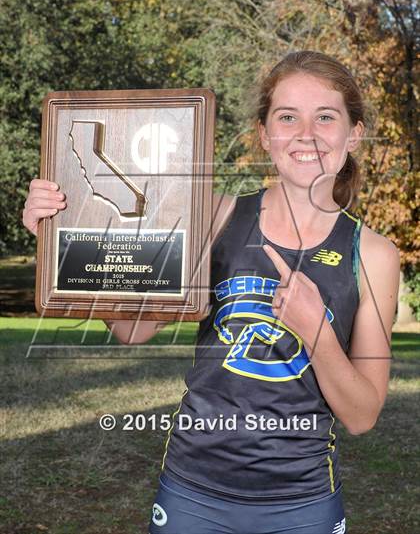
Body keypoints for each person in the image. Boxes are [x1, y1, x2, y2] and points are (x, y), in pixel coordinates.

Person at [23, 50, 400, 534]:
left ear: (354, 133)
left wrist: (317, 333)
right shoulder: (213, 215)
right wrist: (61, 236)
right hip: (192, 492)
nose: (306, 134)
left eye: (325, 117)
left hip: (302, 501)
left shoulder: (373, 254)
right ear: (264, 134)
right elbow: (133, 330)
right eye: (288, 117)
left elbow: (363, 415)